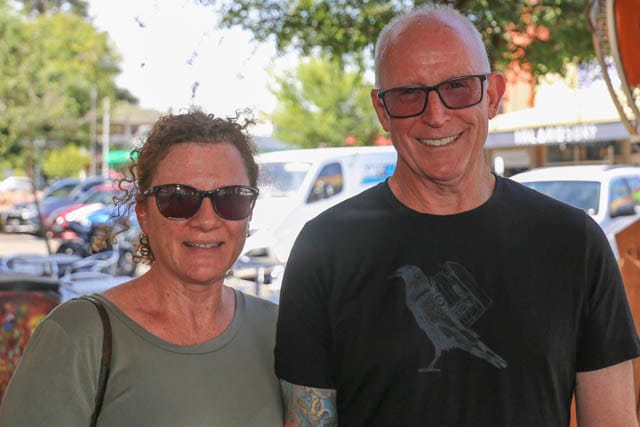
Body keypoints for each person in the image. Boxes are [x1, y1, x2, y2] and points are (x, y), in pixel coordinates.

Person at [274, 3, 640, 427]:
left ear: (494, 95)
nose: (436, 115)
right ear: (382, 110)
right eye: (409, 94)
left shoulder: (574, 242)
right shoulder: (324, 249)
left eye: (459, 87)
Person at [0, 109, 283, 426]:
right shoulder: (77, 335)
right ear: (143, 213)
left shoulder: (280, 331)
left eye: (231, 198)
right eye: (178, 199)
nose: (206, 220)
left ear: (250, 210)